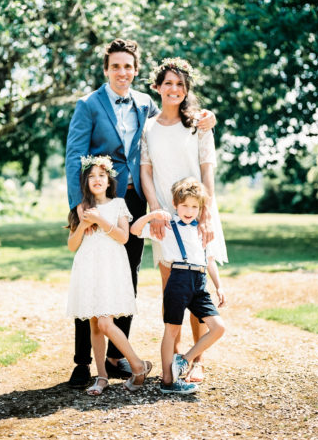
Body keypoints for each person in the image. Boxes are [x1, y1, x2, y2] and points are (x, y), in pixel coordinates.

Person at [65, 39, 215, 388]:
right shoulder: (88, 105)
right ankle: (82, 361)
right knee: (89, 271)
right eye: (116, 66)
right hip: (96, 201)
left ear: (135, 70)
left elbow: (175, 116)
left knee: (126, 273)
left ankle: (117, 356)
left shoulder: (146, 103)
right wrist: (79, 203)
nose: (122, 72)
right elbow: (75, 154)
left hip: (133, 203)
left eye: (128, 66)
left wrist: (209, 117)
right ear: (106, 69)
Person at [140, 57, 228, 383]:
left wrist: (205, 215)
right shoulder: (147, 128)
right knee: (172, 290)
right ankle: (174, 359)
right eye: (168, 83)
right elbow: (145, 172)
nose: (173, 89)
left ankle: (197, 360)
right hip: (165, 218)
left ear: (186, 88)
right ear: (157, 87)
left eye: (179, 84)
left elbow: (207, 170)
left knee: (197, 286)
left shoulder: (198, 125)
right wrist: (156, 211)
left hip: (199, 212)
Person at [130, 177, 226, 394]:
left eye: (194, 206)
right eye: (184, 205)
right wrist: (153, 215)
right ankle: (167, 381)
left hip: (200, 283)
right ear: (175, 204)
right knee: (171, 330)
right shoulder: (167, 226)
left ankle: (184, 360)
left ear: (200, 207)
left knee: (218, 327)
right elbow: (134, 230)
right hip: (178, 280)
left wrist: (219, 286)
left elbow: (209, 259)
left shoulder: (202, 228)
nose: (189, 211)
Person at [66, 155, 152, 395]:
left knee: (105, 321)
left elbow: (124, 237)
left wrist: (101, 220)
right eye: (91, 176)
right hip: (88, 268)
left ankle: (137, 364)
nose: (96, 179)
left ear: (109, 180)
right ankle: (102, 376)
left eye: (101, 175)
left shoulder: (118, 205)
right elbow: (72, 245)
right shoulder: (82, 208)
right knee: (94, 325)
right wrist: (83, 224)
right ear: (85, 181)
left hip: (110, 268)